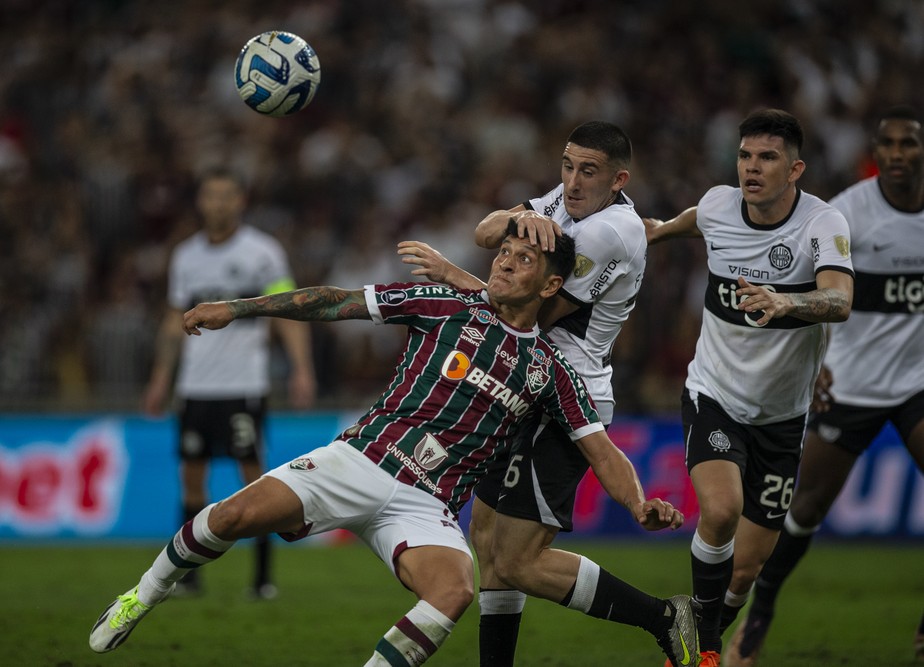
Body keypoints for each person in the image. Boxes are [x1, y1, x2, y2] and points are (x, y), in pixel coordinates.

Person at [90, 223, 699, 667]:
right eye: (504, 254)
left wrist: (638, 502)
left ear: (552, 284)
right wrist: (239, 308)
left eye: (522, 260)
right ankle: (142, 595)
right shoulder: (444, 304)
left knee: (457, 588)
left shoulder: (552, 371)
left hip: (425, 504)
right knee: (226, 516)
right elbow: (334, 302)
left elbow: (598, 447)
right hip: (357, 460)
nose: (505, 263)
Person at [398, 120, 656, 667]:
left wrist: (449, 275)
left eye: (588, 171)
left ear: (618, 179)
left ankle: (663, 617)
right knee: (488, 545)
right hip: (525, 385)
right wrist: (522, 215)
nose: (572, 181)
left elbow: (526, 310)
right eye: (567, 165)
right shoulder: (561, 203)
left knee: (517, 561)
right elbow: (486, 232)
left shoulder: (610, 232)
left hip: (568, 396)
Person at [643, 108, 855, 667]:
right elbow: (699, 216)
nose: (751, 168)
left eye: (767, 158)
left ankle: (692, 636)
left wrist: (791, 301)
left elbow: (840, 300)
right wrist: (661, 231)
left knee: (745, 569)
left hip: (783, 416)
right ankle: (706, 652)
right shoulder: (718, 204)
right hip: (715, 393)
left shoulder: (822, 223)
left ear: (795, 169)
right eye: (745, 156)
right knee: (720, 509)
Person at [723, 106, 924, 666]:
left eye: (909, 144)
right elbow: (808, 291)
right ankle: (759, 614)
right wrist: (817, 362)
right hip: (850, 384)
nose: (898, 155)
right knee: (805, 508)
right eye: (887, 144)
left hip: (917, 383)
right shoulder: (848, 214)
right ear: (875, 153)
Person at [140, 167, 317, 599]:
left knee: (254, 481)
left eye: (227, 195)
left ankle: (261, 580)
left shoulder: (263, 253)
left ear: (241, 201)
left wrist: (301, 367)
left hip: (244, 383)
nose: (218, 203)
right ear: (200, 202)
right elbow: (172, 318)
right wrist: (161, 377)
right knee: (192, 481)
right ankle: (192, 577)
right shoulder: (185, 256)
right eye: (211, 196)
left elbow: (288, 311)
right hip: (196, 386)